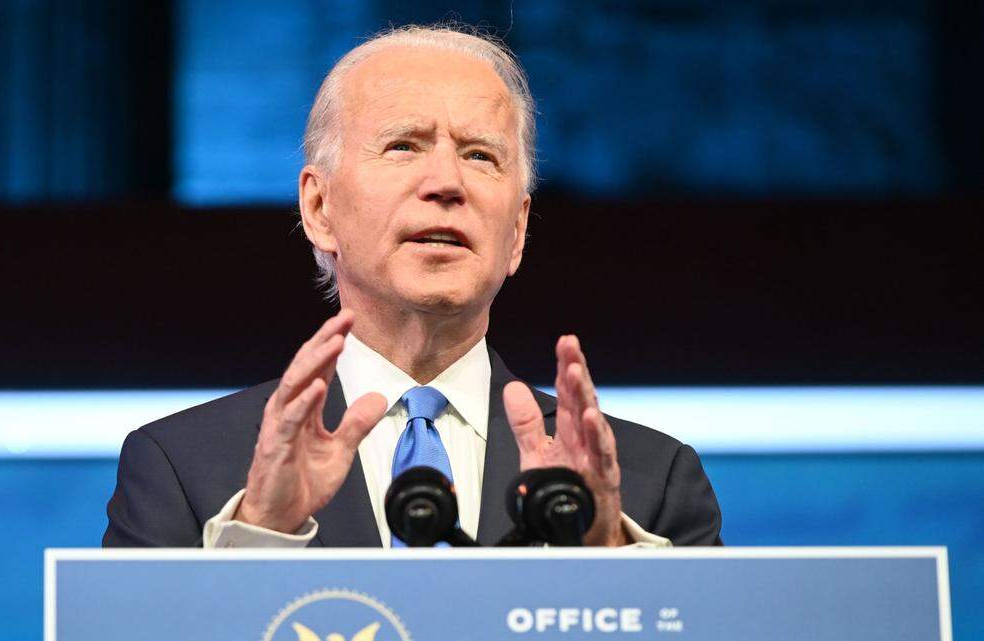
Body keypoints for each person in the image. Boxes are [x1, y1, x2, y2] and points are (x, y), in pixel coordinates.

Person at [103, 25, 722, 549]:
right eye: (403, 146)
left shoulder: (650, 485)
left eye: (481, 156)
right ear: (319, 208)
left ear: (518, 230)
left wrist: (608, 574)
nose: (446, 183)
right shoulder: (181, 470)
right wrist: (262, 535)